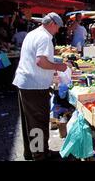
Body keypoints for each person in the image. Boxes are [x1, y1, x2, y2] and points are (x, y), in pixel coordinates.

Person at [12, 12, 68, 161]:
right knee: (38, 121)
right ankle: (40, 155)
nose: (58, 31)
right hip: (34, 86)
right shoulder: (44, 37)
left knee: (30, 121)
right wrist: (58, 66)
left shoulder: (33, 33)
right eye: (58, 27)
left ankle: (33, 152)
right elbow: (40, 62)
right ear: (52, 24)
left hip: (27, 82)